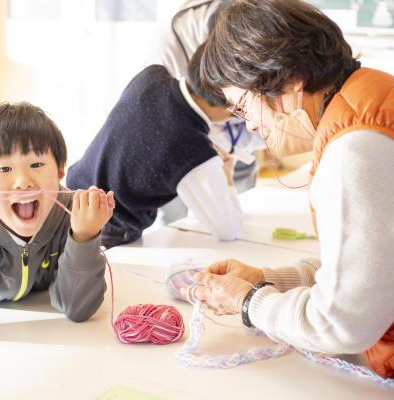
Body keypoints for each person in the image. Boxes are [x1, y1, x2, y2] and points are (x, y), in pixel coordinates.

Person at [191, 0, 394, 378]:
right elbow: (375, 267)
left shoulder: (355, 148)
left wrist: (248, 302)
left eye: (243, 106)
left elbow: (344, 323)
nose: (249, 125)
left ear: (288, 81)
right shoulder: (372, 93)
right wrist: (270, 279)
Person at [0, 102, 114, 336]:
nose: (23, 181)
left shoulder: (71, 216)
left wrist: (85, 236)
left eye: (37, 164)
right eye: (4, 169)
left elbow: (77, 310)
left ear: (59, 171)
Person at [66, 43, 241, 248]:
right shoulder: (192, 149)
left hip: (70, 195)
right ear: (231, 102)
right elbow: (228, 230)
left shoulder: (151, 76)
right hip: (106, 228)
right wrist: (227, 177)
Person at [146, 0, 264, 196]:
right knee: (179, 220)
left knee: (241, 214)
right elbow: (161, 126)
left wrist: (233, 144)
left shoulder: (262, 26)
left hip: (237, 153)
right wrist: (211, 146)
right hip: (181, 158)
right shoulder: (170, 48)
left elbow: (271, 121)